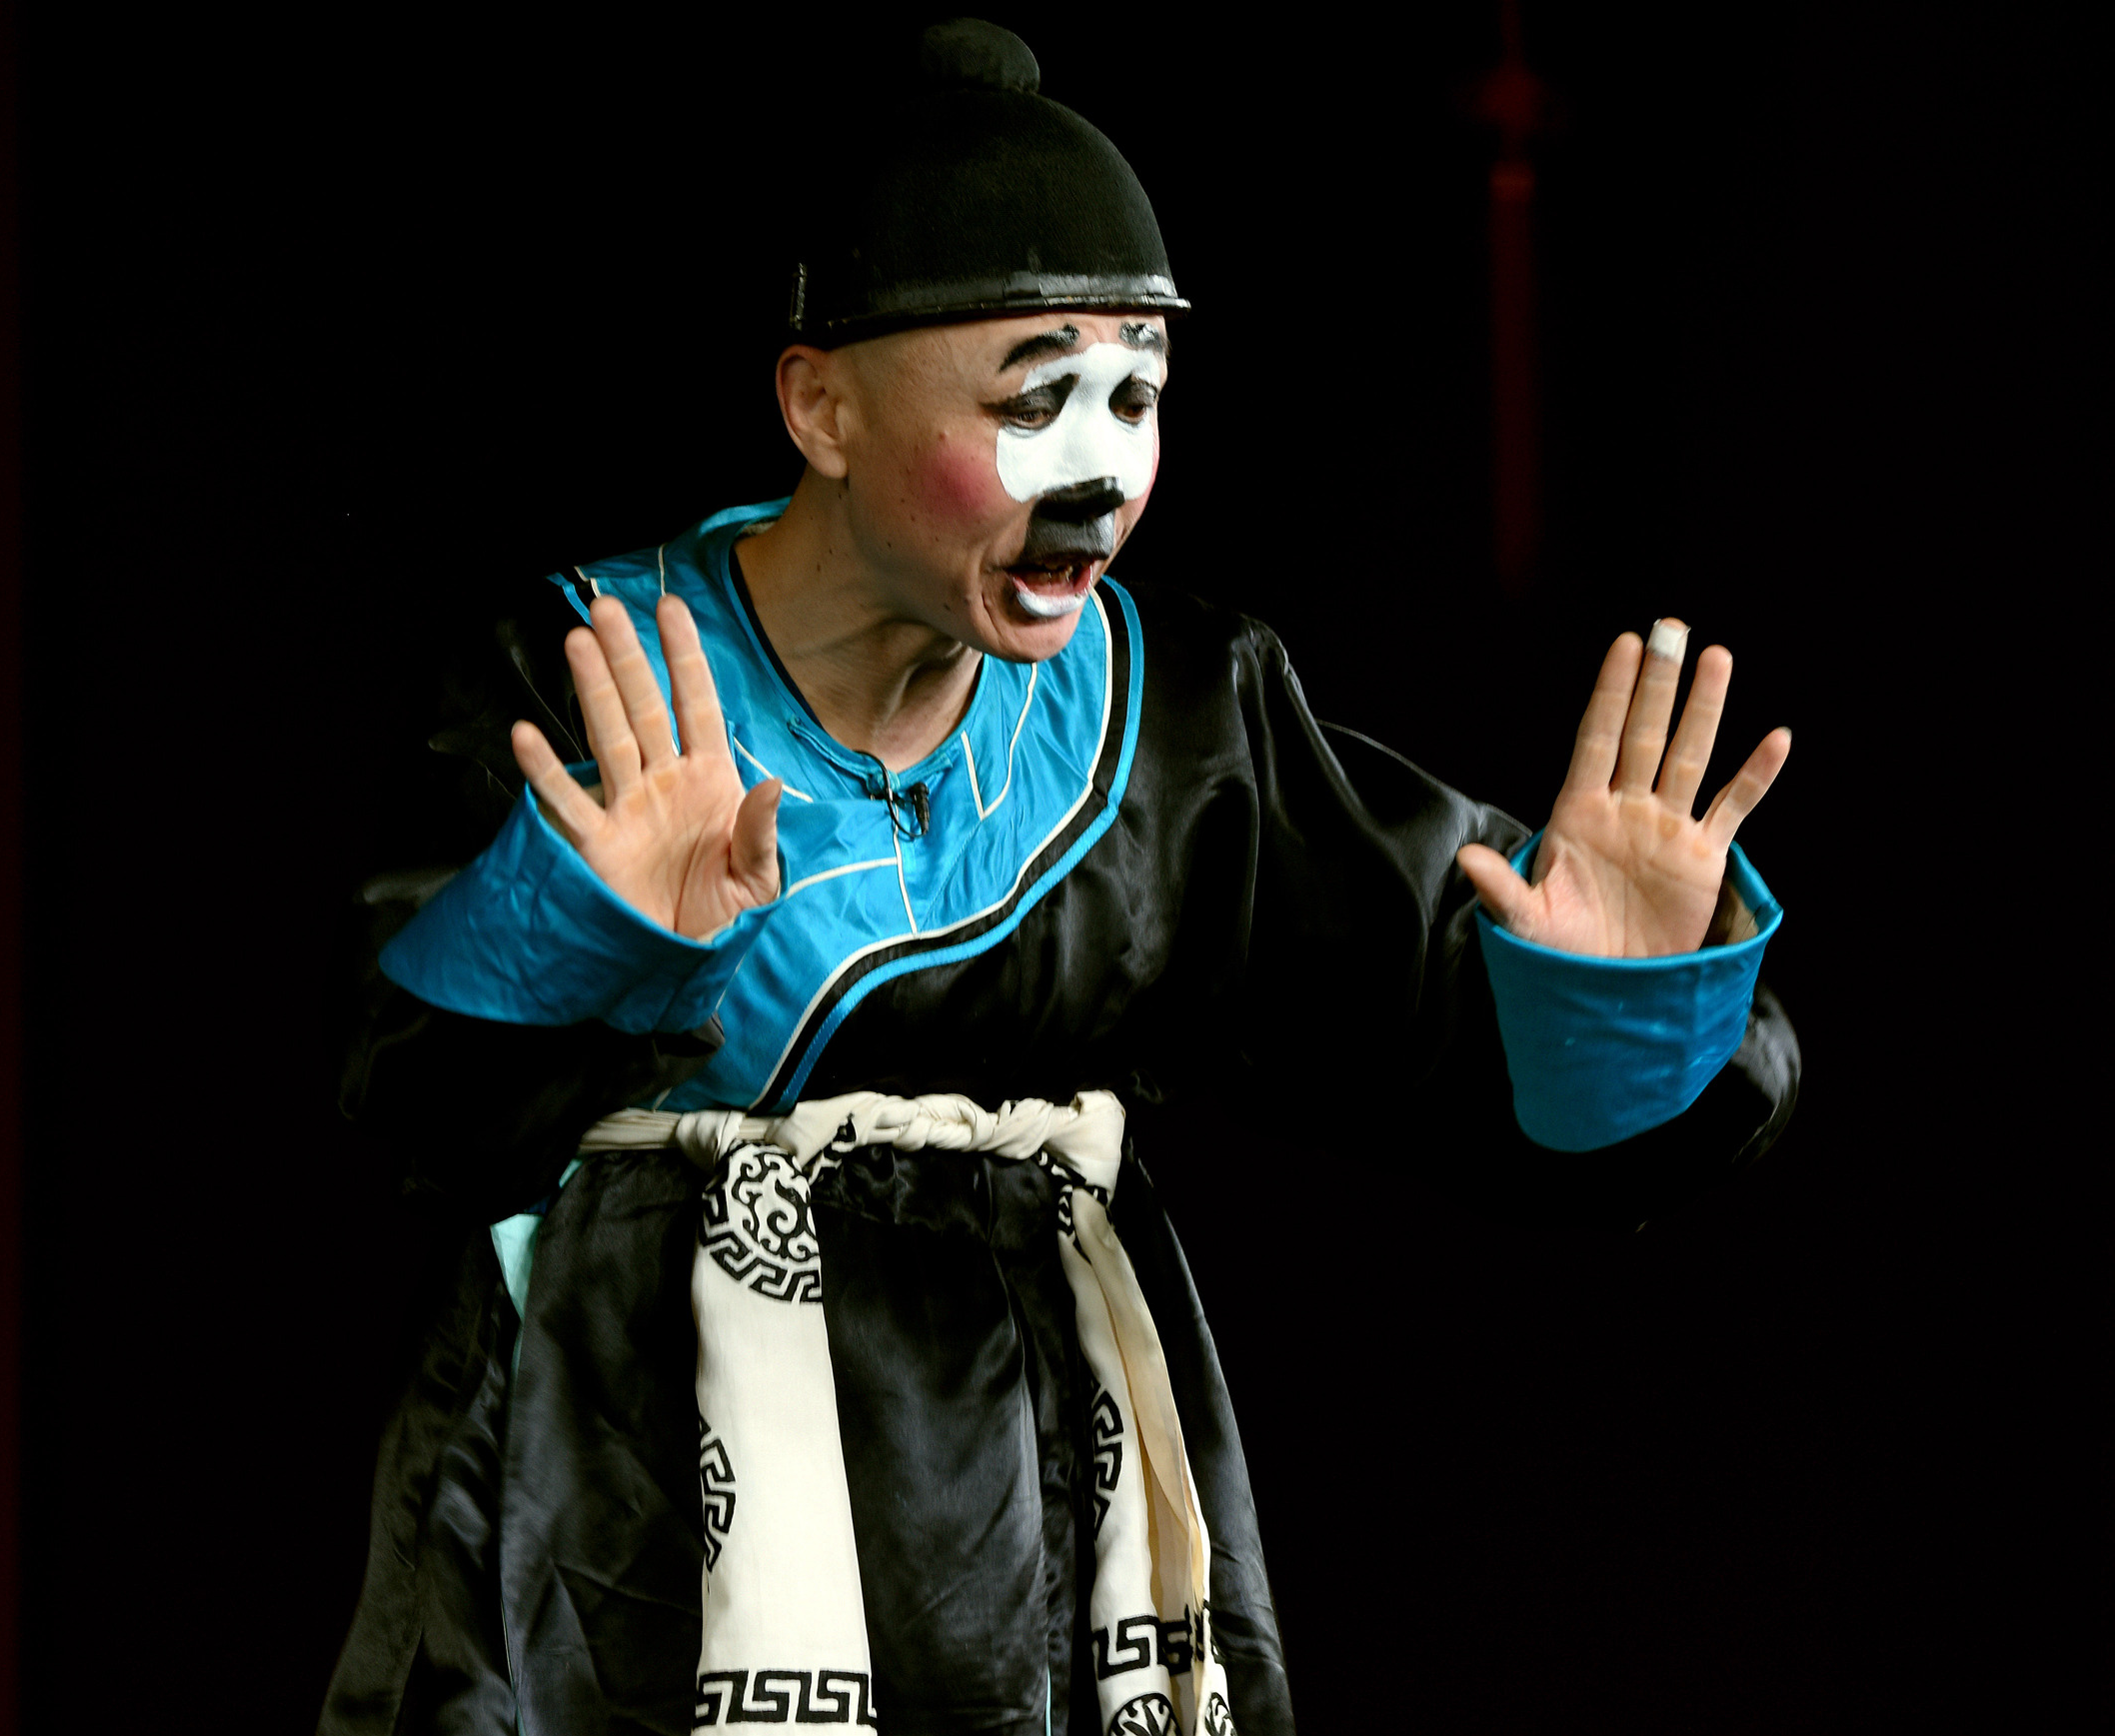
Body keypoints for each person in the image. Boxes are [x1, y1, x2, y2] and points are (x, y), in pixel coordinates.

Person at [320, 21, 1796, 1736]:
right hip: (636, 1516)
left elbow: (1431, 1038)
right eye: (1032, 402)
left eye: (1135, 400)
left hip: (1046, 1526)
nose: (1100, 478)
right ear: (819, 406)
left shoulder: (1175, 720)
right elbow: (408, 1102)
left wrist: (1600, 989)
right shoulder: (596, 674)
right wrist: (600, 931)